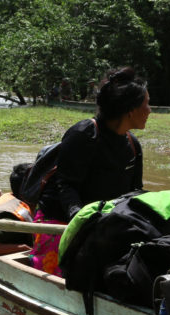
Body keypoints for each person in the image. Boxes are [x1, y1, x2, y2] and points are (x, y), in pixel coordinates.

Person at [30, 66, 149, 275]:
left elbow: (135, 191)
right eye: (146, 104)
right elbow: (66, 185)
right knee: (63, 274)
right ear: (130, 110)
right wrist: (80, 220)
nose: (150, 110)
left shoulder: (132, 144)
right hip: (62, 218)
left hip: (103, 222)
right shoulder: (84, 134)